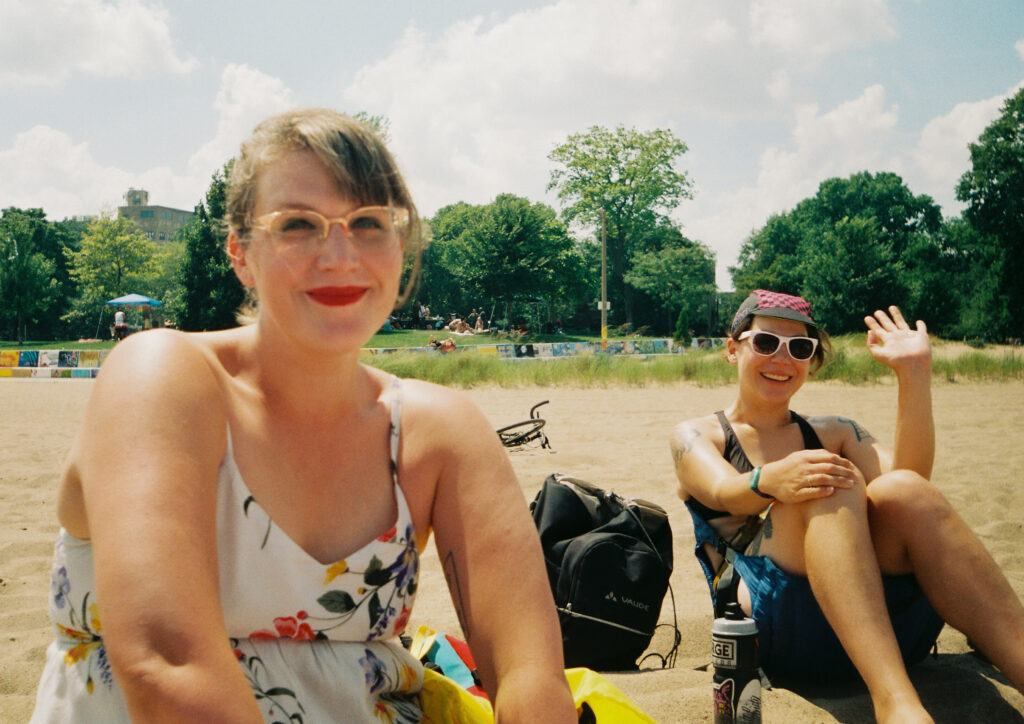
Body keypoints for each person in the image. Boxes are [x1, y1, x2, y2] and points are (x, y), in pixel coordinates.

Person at [32, 109, 576, 723]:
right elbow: (167, 669)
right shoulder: (164, 378)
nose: (339, 254)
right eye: (297, 225)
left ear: (400, 247)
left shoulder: (441, 434)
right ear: (241, 253)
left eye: (369, 223)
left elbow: (532, 678)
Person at [670, 289, 1024, 724]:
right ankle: (898, 707)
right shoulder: (698, 435)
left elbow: (909, 483)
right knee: (825, 480)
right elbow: (724, 492)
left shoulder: (835, 431)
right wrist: (773, 480)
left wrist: (914, 375)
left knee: (903, 491)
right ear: (732, 348)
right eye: (765, 343)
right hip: (779, 634)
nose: (782, 358)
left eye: (800, 348)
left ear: (812, 362)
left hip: (887, 629)